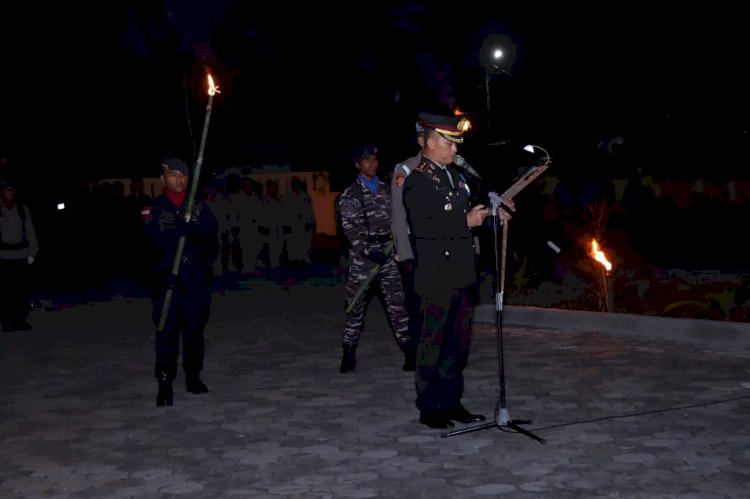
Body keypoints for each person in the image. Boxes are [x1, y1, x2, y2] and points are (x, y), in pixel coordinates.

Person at [402, 112, 502, 429]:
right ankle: (430, 407)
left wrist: (487, 215)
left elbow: (465, 217)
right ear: (431, 143)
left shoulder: (455, 178)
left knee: (457, 344)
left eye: (455, 145)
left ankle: (452, 400)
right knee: (432, 342)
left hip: (460, 272)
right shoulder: (418, 180)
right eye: (449, 144)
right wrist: (464, 221)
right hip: (435, 276)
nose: (454, 150)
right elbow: (425, 226)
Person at [141, 158, 219, 407]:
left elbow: (212, 241)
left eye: (183, 176)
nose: (179, 180)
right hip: (167, 283)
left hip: (194, 282)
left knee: (194, 332)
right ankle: (165, 383)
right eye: (173, 175)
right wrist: (176, 231)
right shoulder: (152, 209)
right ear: (163, 178)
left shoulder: (198, 207)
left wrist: (196, 234)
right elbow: (146, 244)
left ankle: (193, 376)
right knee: (167, 333)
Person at [338, 144, 412, 373]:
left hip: (387, 254)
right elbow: (350, 229)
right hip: (363, 260)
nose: (372, 163)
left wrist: (397, 246)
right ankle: (348, 352)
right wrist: (369, 251)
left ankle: (409, 351)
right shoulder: (351, 195)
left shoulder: (385, 189)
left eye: (374, 159)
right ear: (357, 165)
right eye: (367, 160)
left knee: (397, 305)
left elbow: (398, 218)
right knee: (355, 308)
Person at [390, 120, 425, 371]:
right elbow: (399, 214)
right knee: (414, 302)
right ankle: (413, 352)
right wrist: (404, 252)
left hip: (445, 250)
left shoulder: (454, 169)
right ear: (422, 140)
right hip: (415, 248)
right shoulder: (406, 169)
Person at [0, 179, 39, 332]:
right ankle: (8, 322)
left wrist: (32, 253)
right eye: (8, 189)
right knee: (5, 292)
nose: (11, 192)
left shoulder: (22, 209)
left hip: (21, 256)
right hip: (3, 257)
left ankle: (20, 320)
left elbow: (30, 231)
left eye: (13, 189)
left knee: (21, 292)